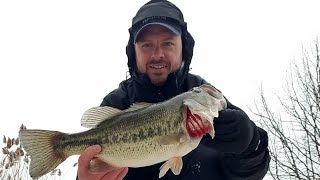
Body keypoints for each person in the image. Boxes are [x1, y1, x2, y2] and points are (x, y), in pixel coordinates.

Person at [77, 0, 270, 179]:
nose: (157, 54)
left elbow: (248, 175)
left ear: (183, 49)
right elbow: (91, 166)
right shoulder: (116, 103)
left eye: (168, 43)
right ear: (133, 53)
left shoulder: (204, 96)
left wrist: (252, 146)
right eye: (146, 45)